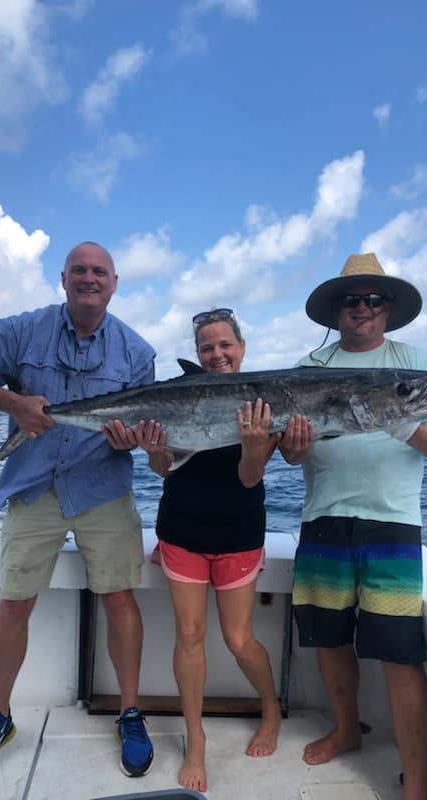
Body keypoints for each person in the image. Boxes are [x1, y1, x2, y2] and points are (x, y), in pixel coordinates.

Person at [0, 242, 156, 780]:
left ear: (114, 281)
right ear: (62, 279)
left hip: (104, 489)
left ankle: (130, 711)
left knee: (121, 600)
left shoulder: (136, 351)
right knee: (14, 604)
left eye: (98, 271)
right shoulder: (21, 331)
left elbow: (151, 428)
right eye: (79, 270)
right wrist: (13, 404)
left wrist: (135, 440)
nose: (89, 278)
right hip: (34, 488)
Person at [279, 253, 427, 800]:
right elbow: (290, 456)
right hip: (324, 519)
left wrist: (400, 417)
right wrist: (290, 446)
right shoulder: (309, 366)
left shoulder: (411, 367)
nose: (363, 308)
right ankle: (346, 730)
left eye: (373, 299)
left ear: (388, 308)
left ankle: (413, 782)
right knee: (329, 641)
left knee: (401, 653)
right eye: (352, 299)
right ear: (337, 309)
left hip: (392, 525)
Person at [106, 307, 283, 793]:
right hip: (182, 531)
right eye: (207, 347)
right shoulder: (172, 395)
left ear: (241, 348)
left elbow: (250, 478)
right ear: (197, 354)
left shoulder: (266, 404)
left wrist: (252, 446)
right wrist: (151, 449)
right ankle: (196, 736)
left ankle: (271, 708)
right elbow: (165, 470)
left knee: (239, 640)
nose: (217, 354)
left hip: (239, 533)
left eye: (225, 345)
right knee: (189, 636)